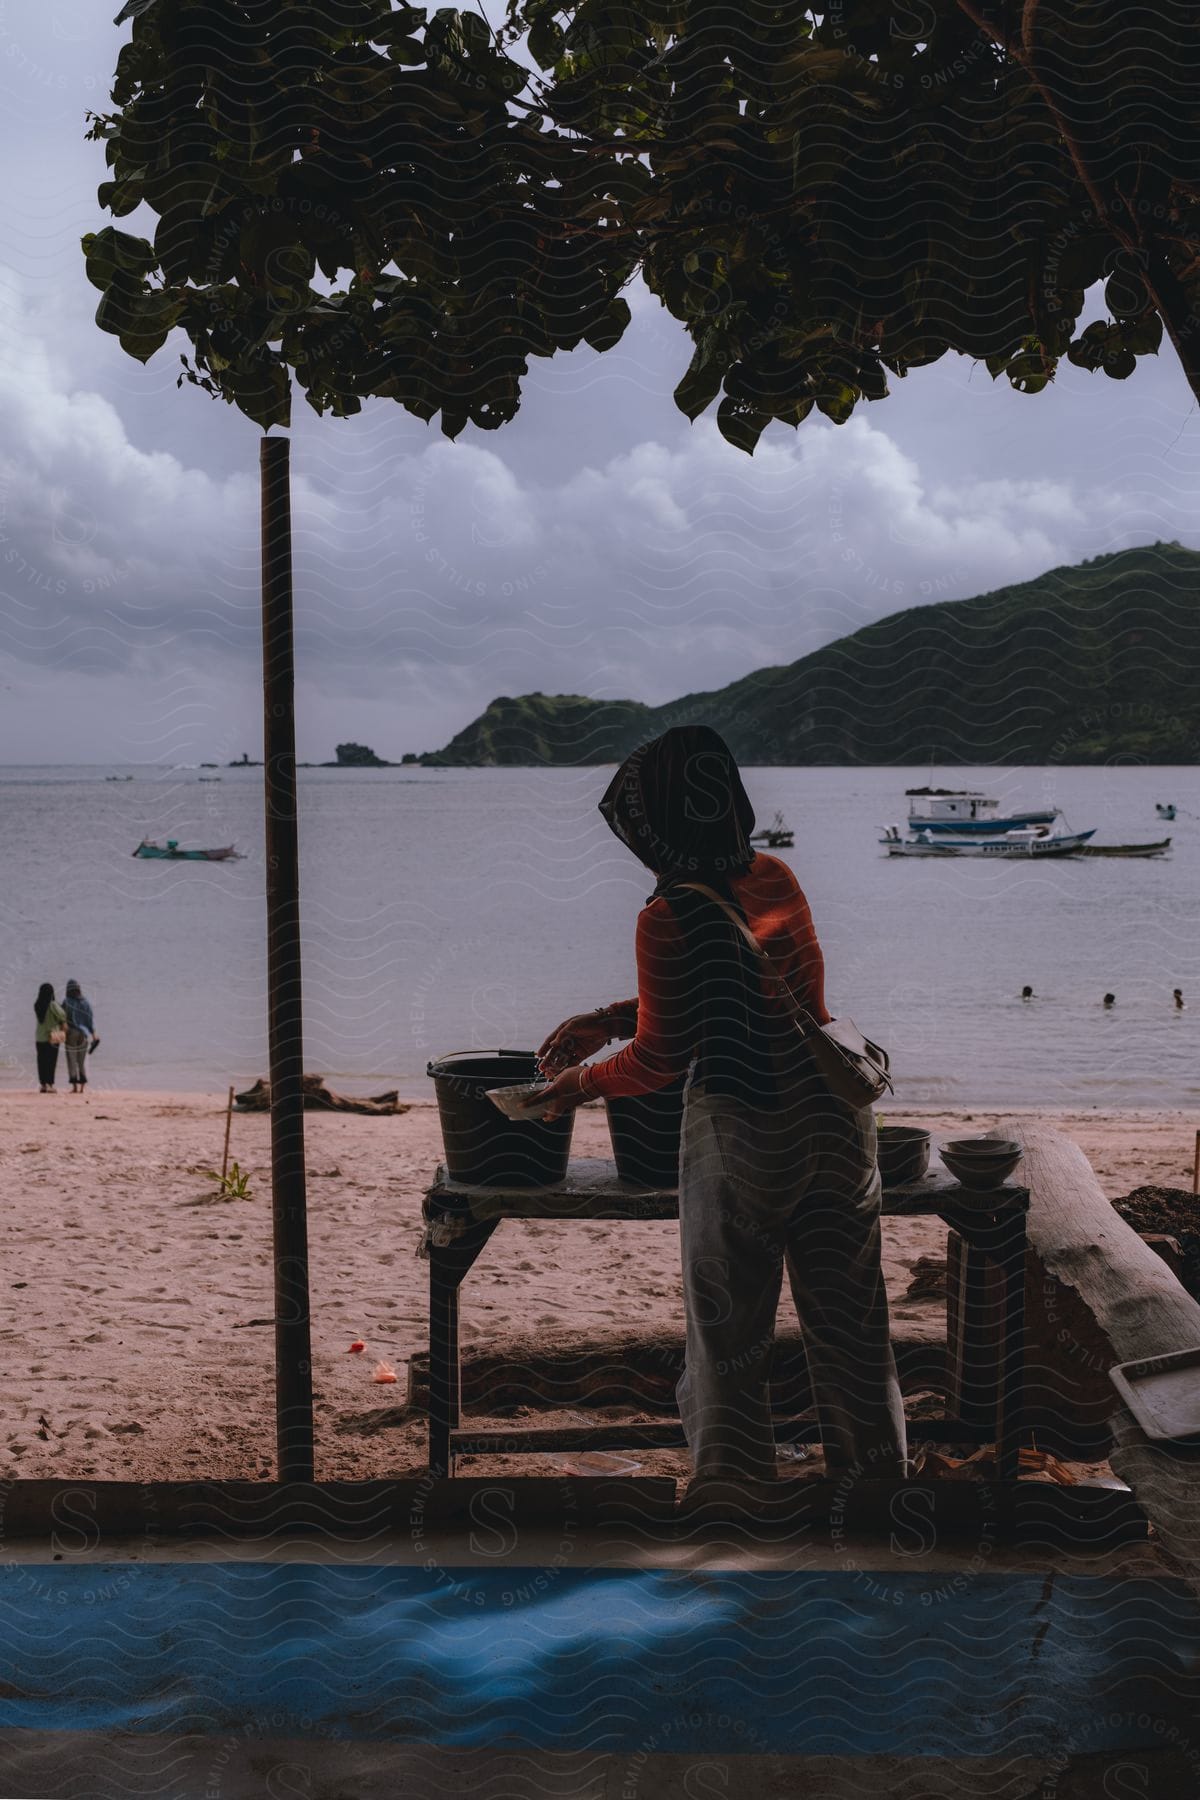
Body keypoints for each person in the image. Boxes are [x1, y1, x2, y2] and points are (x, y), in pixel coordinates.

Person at [536, 726, 907, 1489]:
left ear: (657, 823)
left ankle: (736, 1501)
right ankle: (879, 1499)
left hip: (745, 1136)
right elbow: (776, 997)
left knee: (729, 1336)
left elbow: (662, 1060)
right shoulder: (775, 875)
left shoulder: (666, 914)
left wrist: (571, 1087)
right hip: (837, 1130)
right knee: (854, 1334)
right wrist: (610, 1018)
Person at [62, 978, 99, 1093]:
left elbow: (62, 1018)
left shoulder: (66, 1001)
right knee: (82, 1061)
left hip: (71, 1033)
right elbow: (89, 1020)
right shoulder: (86, 1002)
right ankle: (82, 1088)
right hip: (84, 1034)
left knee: (72, 1060)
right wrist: (94, 1035)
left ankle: (74, 1087)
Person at [33, 983, 67, 1092]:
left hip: (40, 1037)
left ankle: (43, 1085)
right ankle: (50, 1085)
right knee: (51, 1062)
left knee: (41, 1061)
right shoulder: (52, 1004)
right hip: (53, 1036)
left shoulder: (37, 1004)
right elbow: (62, 1015)